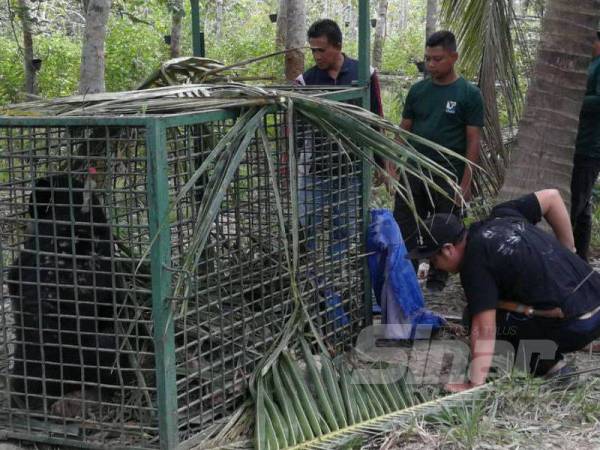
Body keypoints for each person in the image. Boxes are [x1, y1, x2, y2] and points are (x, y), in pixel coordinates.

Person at [407, 189, 600, 392]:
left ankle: (553, 367)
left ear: (448, 249)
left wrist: (473, 384)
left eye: (433, 259)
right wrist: (569, 251)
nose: (434, 266)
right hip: (594, 295)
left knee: (475, 316)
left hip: (578, 324)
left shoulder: (475, 262)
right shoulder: (504, 213)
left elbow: (483, 328)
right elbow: (552, 197)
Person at [394, 30, 484, 291]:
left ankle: (438, 275)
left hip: (448, 175)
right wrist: (391, 159)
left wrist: (466, 183)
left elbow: (473, 141)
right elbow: (404, 129)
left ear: (454, 57)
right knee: (406, 221)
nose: (431, 65)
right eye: (428, 59)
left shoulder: (469, 94)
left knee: (446, 226)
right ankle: (408, 271)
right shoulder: (418, 91)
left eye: (438, 59)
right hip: (414, 171)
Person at [295, 19, 385, 260]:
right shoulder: (306, 81)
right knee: (306, 227)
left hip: (352, 169)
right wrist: (292, 165)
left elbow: (376, 119)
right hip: (315, 169)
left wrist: (382, 162)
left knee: (345, 228)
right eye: (312, 49)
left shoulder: (364, 74)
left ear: (338, 46)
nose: (316, 55)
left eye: (321, 50)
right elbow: (296, 131)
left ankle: (337, 274)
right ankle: (310, 276)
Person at [570, 31, 600, 262]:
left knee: (576, 203)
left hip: (591, 146)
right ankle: (581, 258)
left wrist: (574, 98)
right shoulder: (592, 65)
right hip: (582, 143)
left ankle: (570, 257)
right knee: (583, 203)